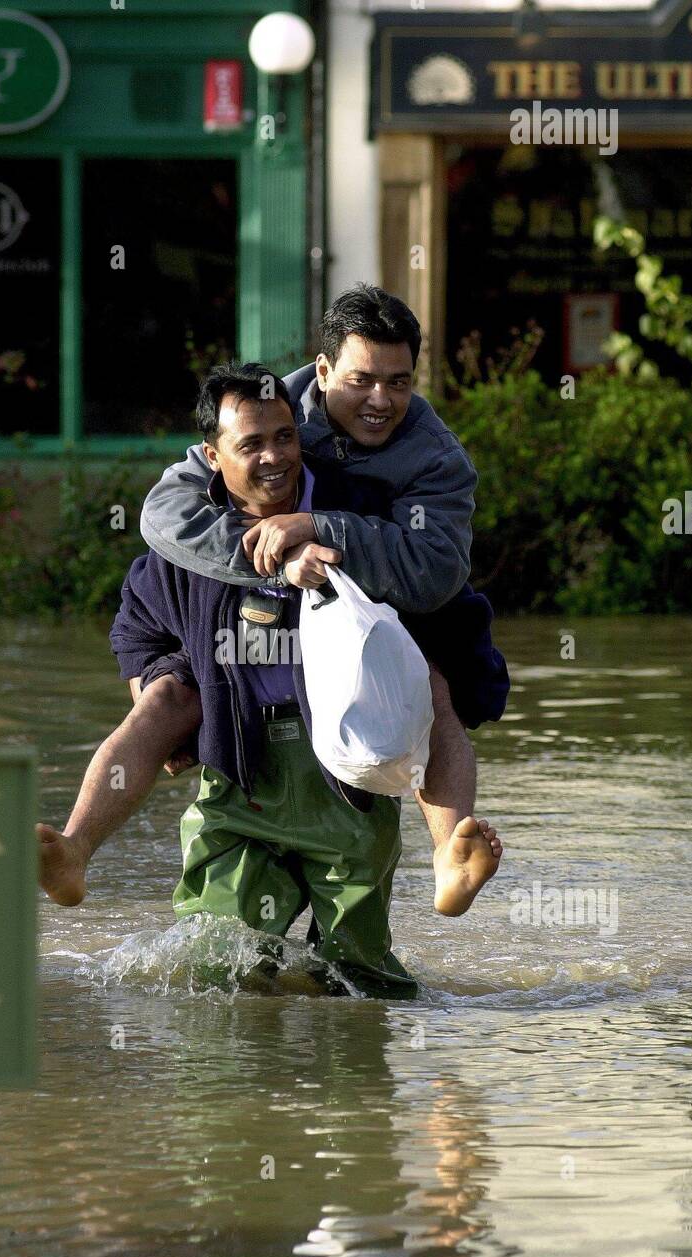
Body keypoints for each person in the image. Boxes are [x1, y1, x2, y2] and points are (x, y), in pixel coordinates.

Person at [37, 286, 507, 913]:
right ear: (321, 371)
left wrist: (320, 527)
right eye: (362, 380)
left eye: (399, 383)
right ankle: (73, 847)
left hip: (389, 609)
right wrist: (276, 553)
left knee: (433, 687)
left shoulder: (437, 457)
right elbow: (166, 514)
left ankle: (451, 852)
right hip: (246, 624)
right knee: (165, 696)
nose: (380, 401)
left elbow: (437, 572)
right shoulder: (267, 410)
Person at [110, 364, 429, 998]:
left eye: (284, 437)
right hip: (238, 774)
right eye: (251, 444)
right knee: (215, 973)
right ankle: (242, 1099)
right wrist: (154, 691)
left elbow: (439, 606)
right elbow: (138, 628)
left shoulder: (356, 514)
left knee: (359, 982)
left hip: (347, 776)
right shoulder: (188, 537)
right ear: (212, 456)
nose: (273, 457)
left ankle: (363, 1094)